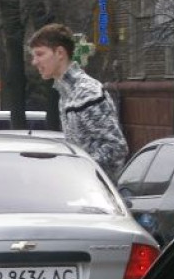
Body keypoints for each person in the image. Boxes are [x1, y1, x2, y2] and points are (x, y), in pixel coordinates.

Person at [29, 23, 128, 178]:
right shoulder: (67, 94)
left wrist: (77, 168)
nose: (34, 62)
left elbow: (116, 148)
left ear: (60, 53)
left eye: (40, 54)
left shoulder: (87, 93)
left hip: (95, 194)